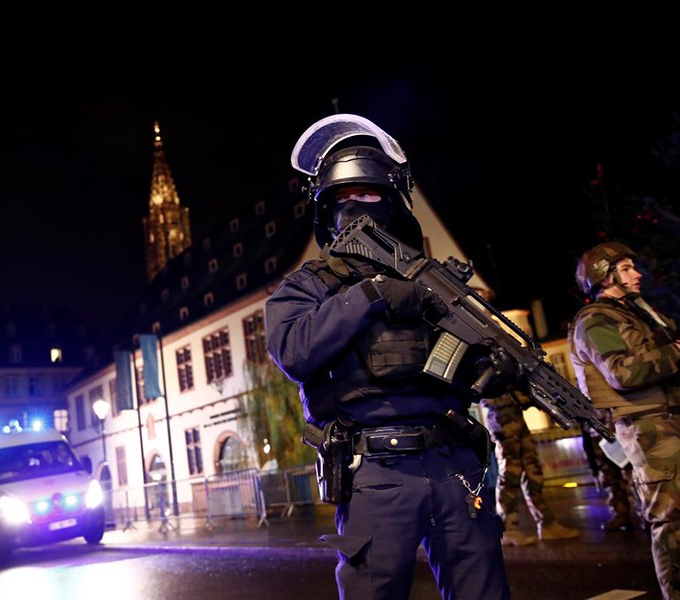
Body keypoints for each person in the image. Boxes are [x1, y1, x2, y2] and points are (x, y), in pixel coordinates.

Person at [266, 113, 515, 599]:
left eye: (367, 194)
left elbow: (460, 360)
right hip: (375, 472)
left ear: (394, 201)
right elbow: (294, 351)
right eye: (342, 196)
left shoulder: (433, 284)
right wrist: (370, 294)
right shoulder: (307, 286)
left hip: (455, 463)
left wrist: (493, 368)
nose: (354, 206)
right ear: (325, 210)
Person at [568, 240, 680, 600]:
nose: (638, 274)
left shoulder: (636, 313)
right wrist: (675, 353)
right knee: (672, 521)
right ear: (605, 275)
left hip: (668, 419)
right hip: (648, 430)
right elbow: (621, 373)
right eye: (627, 268)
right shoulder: (595, 320)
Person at [480, 390, 579, 545]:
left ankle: (546, 523)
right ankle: (508, 528)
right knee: (511, 472)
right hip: (501, 414)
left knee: (532, 470)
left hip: (515, 412)